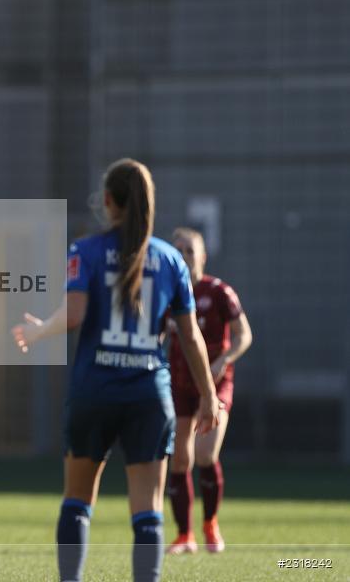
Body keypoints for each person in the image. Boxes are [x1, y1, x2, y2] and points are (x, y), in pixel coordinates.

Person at [11, 159, 219, 582]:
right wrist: (210, 396)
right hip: (149, 395)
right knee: (147, 507)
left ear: (108, 201)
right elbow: (192, 336)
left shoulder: (86, 251)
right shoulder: (170, 259)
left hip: (96, 391)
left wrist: (38, 332)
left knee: (77, 500)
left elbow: (73, 314)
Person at [165, 227, 252, 555]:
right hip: (179, 383)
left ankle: (210, 523)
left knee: (205, 454)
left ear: (202, 256)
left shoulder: (218, 291)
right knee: (179, 460)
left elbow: (244, 334)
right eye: (179, 251)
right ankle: (184, 535)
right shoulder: (168, 293)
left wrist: (223, 361)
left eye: (190, 250)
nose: (184, 256)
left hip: (215, 385)